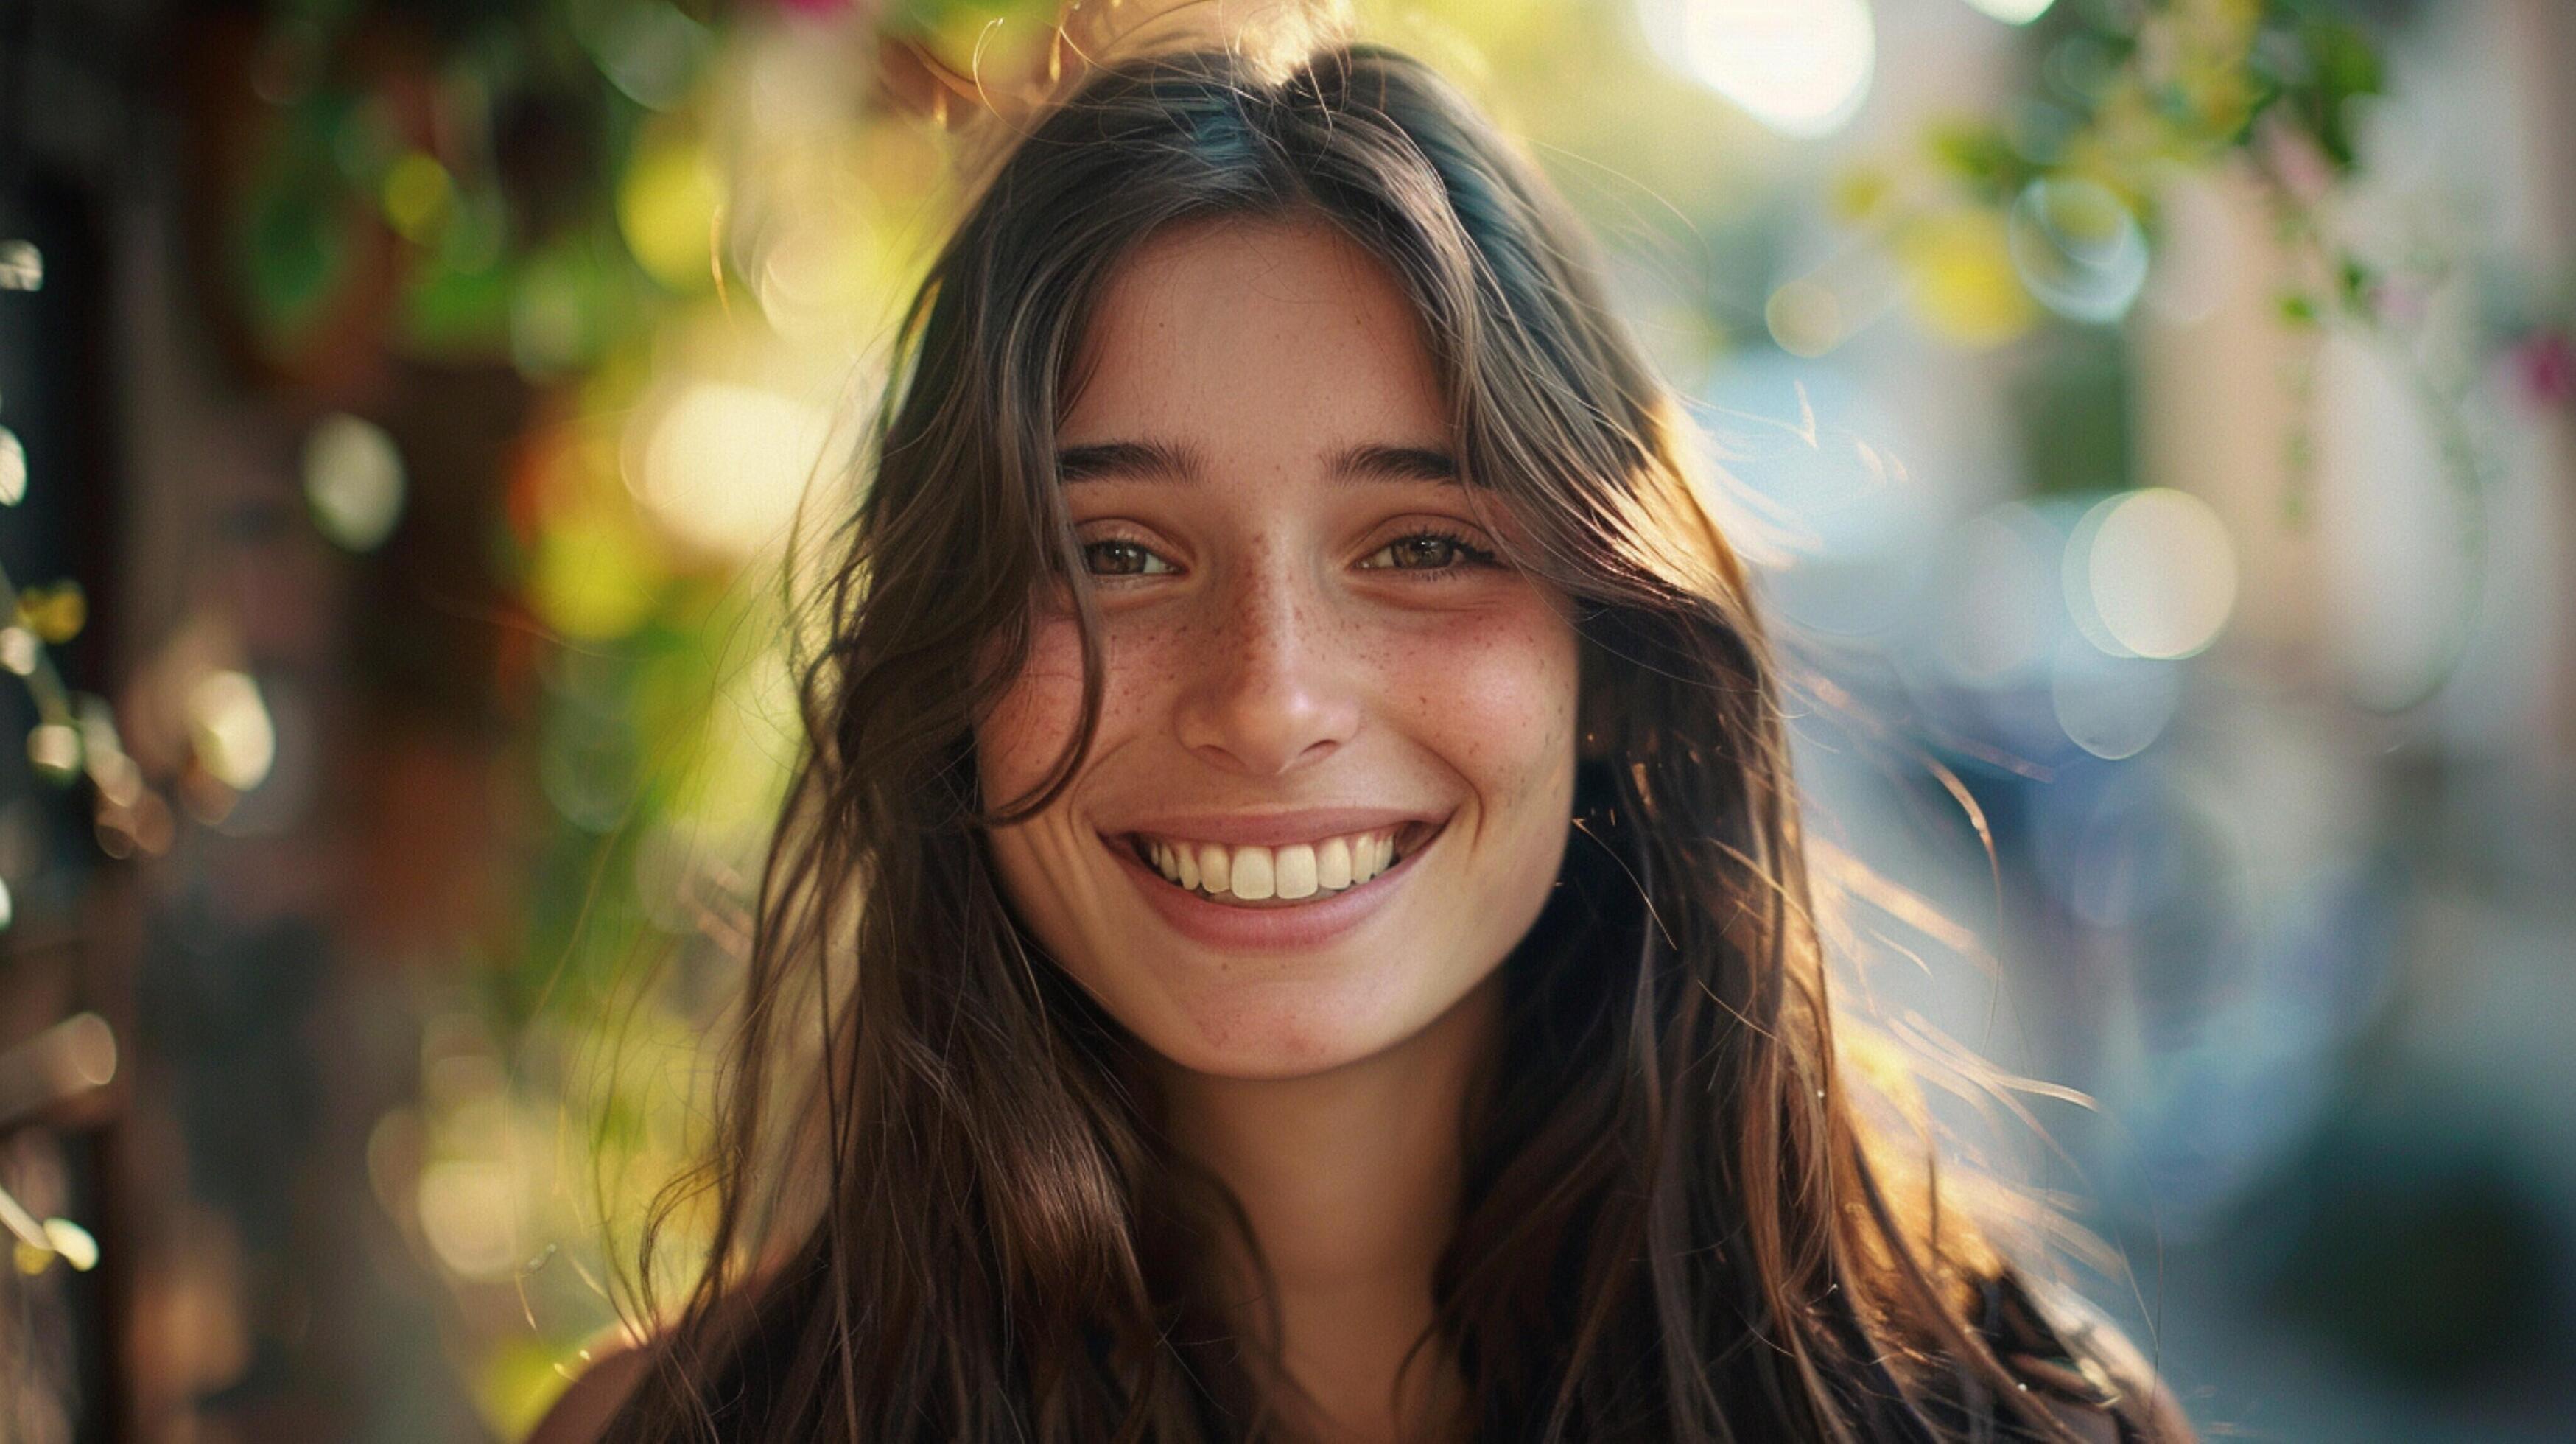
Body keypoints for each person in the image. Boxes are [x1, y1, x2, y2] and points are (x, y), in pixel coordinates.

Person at [534, 24, 2194, 1444]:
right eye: (1112, 553)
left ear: (1612, 658)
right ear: (945, 662)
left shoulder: (2017, 1418)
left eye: (1422, 546)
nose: (1267, 698)